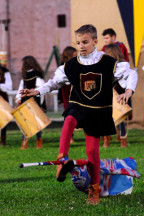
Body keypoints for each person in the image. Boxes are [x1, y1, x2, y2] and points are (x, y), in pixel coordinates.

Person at [20, 24, 138, 205]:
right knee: (69, 118)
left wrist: (128, 91)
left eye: (85, 42)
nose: (81, 46)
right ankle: (62, 159)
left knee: (92, 152)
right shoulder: (70, 65)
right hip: (79, 105)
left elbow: (131, 74)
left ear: (95, 42)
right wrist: (37, 92)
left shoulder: (109, 63)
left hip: (98, 111)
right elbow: (54, 83)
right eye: (78, 43)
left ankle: (94, 189)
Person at [103, 44, 132, 147]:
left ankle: (122, 141)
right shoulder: (105, 65)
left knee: (119, 118)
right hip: (108, 95)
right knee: (106, 118)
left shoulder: (123, 66)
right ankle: (107, 140)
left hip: (118, 95)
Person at [15, 56, 46, 149]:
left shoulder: (37, 75)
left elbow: (41, 87)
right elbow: (21, 87)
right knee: (25, 122)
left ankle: (38, 141)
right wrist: (18, 98)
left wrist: (33, 90)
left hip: (35, 101)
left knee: (36, 122)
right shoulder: (25, 76)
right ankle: (24, 142)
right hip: (25, 102)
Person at [0, 64, 12, 145]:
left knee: (3, 119)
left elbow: (9, 86)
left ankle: (3, 141)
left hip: (2, 99)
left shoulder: (5, 71)